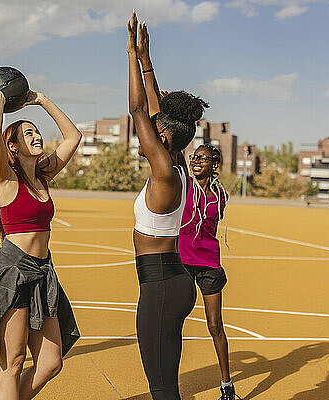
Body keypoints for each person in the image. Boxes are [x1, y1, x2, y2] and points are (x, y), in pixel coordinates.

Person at [0, 81, 81, 400]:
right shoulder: (6, 180)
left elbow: (73, 137)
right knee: (12, 364)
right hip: (12, 272)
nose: (37, 136)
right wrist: (1, 102)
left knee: (50, 362)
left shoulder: (43, 175)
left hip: (43, 272)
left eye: (37, 131)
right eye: (27, 133)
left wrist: (42, 100)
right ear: (13, 147)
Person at [128, 10, 209, 399]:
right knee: (166, 383)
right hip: (172, 279)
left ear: (163, 136)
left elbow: (139, 111)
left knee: (162, 390)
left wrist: (130, 54)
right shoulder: (176, 159)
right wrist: (146, 62)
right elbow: (157, 112)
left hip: (160, 286)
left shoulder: (163, 169)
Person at [179, 144, 240, 400]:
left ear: (214, 164)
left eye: (202, 158)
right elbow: (177, 155)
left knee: (215, 325)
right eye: (194, 157)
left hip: (209, 263)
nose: (196, 161)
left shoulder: (219, 195)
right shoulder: (184, 185)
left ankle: (227, 385)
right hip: (181, 260)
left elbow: (213, 222)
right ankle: (170, 384)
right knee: (175, 321)